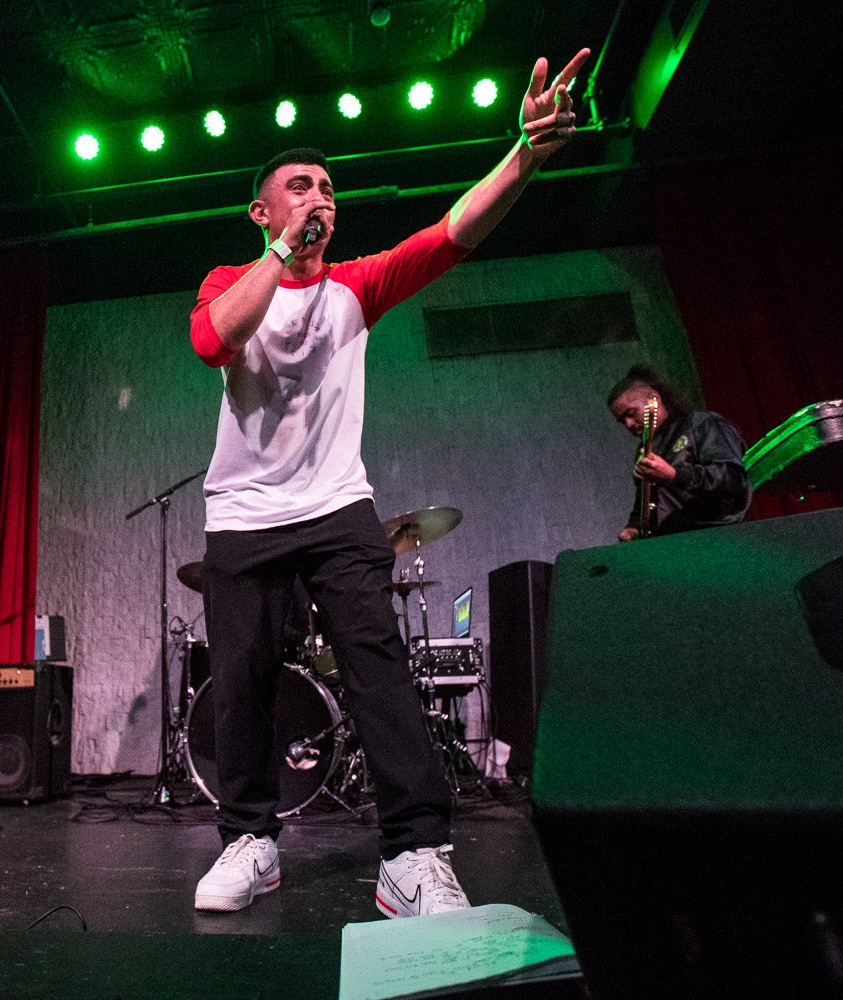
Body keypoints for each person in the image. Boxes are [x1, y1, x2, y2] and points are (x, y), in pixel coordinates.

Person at [187, 48, 591, 918]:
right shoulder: (230, 281)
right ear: (263, 210)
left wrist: (524, 153)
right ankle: (250, 841)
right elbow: (214, 339)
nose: (320, 197)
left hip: (337, 505)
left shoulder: (358, 289)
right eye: (301, 186)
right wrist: (278, 254)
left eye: (328, 187)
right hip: (245, 513)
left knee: (377, 669)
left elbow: (453, 232)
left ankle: (414, 854)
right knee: (245, 678)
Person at [607, 364, 752, 541]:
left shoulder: (700, 424)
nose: (628, 424)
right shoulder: (645, 450)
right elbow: (648, 503)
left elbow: (733, 479)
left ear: (654, 399)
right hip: (672, 544)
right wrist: (634, 527)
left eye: (631, 413)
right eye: (622, 421)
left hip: (715, 538)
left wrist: (674, 475)